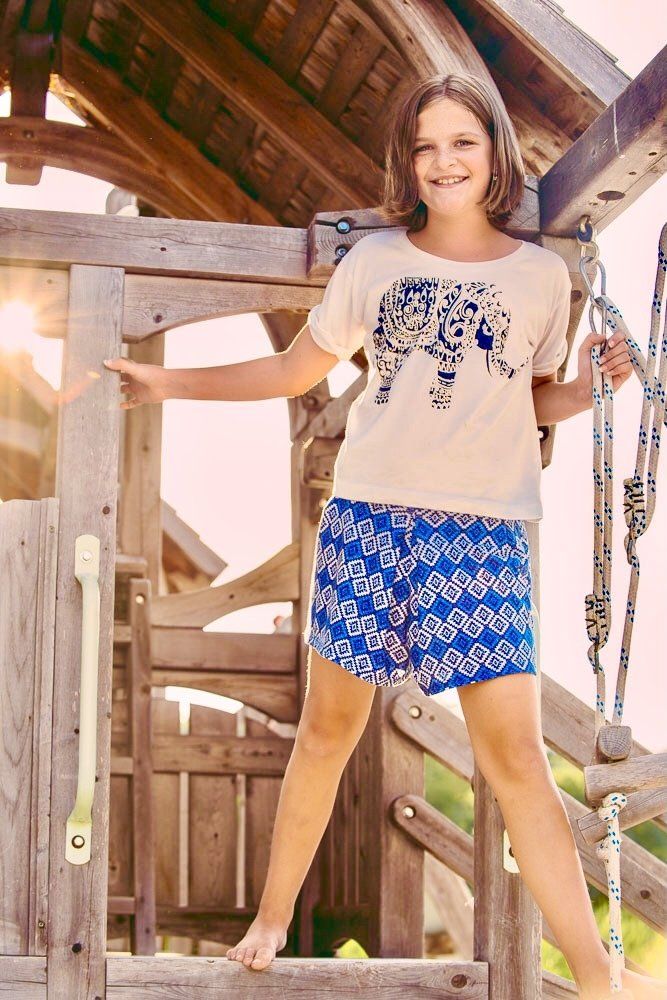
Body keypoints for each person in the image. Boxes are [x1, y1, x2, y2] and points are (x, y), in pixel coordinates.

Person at [103, 74, 664, 1000]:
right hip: (367, 520)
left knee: (516, 761)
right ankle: (270, 920)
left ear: (493, 154)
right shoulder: (373, 262)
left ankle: (597, 977)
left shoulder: (540, 278)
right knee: (327, 730)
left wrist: (592, 384)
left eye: (462, 143)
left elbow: (528, 401)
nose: (443, 161)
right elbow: (295, 371)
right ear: (407, 161)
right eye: (425, 146)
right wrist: (169, 383)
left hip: (483, 535)